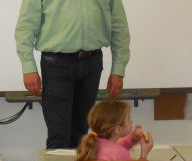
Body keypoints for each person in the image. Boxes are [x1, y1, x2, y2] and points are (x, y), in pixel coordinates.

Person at [15, 0, 130, 149]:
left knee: (82, 133)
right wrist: (28, 66)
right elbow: (26, 25)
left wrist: (118, 69)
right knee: (59, 134)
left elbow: (119, 25)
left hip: (92, 63)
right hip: (56, 64)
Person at [74, 100, 153, 161]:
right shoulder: (121, 153)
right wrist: (144, 156)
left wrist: (132, 139)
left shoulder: (92, 145)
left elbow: (114, 147)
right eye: (129, 118)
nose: (131, 121)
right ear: (118, 129)